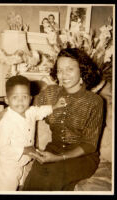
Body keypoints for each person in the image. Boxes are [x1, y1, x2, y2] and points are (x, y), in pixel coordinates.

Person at [22, 48, 104, 191]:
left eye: (69, 69)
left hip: (83, 157)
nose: (63, 75)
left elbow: (90, 144)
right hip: (54, 148)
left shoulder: (95, 102)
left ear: (82, 71)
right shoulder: (51, 93)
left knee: (52, 177)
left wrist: (58, 158)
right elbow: (26, 109)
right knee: (35, 178)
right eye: (60, 70)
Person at [0, 75, 66, 191]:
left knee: (22, 186)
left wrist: (55, 106)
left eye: (24, 97)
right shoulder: (5, 122)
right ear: (7, 100)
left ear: (30, 99)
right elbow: (3, 148)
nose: (20, 101)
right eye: (15, 97)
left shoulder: (30, 112)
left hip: (23, 163)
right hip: (7, 168)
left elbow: (41, 111)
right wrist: (25, 150)